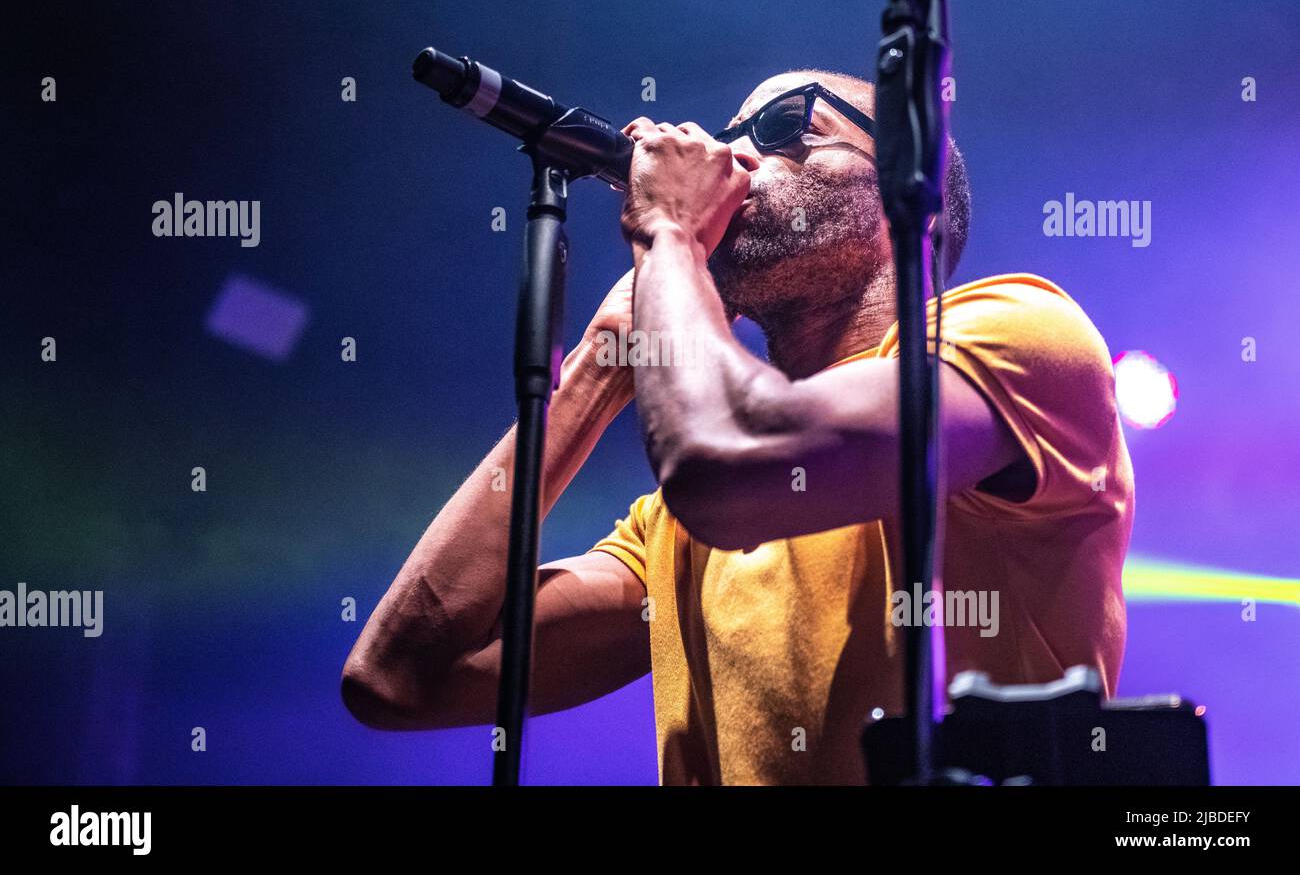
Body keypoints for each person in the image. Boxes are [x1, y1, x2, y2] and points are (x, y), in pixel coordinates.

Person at [342, 69, 1134, 785]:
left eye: (788, 125)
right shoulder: (670, 532)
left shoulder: (1021, 330)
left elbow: (730, 469)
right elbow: (398, 679)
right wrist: (595, 370)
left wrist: (670, 236)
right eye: (730, 135)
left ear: (909, 192)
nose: (735, 157)